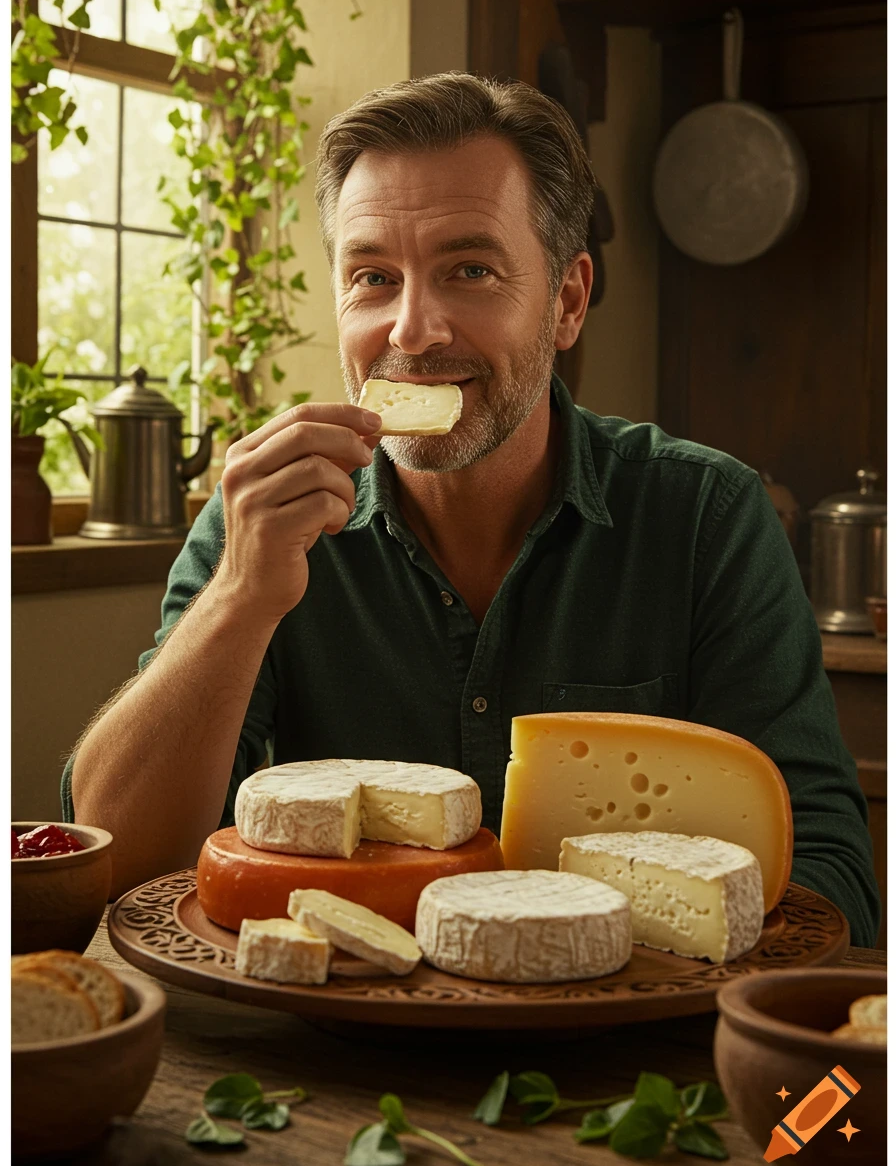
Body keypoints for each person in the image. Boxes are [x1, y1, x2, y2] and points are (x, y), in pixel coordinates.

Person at [64, 73, 879, 945]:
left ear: (567, 301)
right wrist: (239, 596)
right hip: (326, 1042)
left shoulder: (708, 517)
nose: (413, 330)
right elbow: (111, 863)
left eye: (471, 270)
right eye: (373, 276)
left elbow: (833, 878)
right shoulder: (258, 522)